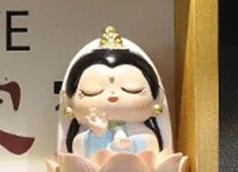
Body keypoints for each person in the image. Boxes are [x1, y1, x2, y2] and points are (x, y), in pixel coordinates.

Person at [57, 25, 171, 159]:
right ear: (68, 102)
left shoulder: (144, 133)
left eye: (132, 89)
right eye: (92, 91)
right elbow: (77, 150)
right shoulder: (83, 136)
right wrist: (97, 136)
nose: (113, 96)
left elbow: (152, 147)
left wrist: (132, 143)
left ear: (157, 99)